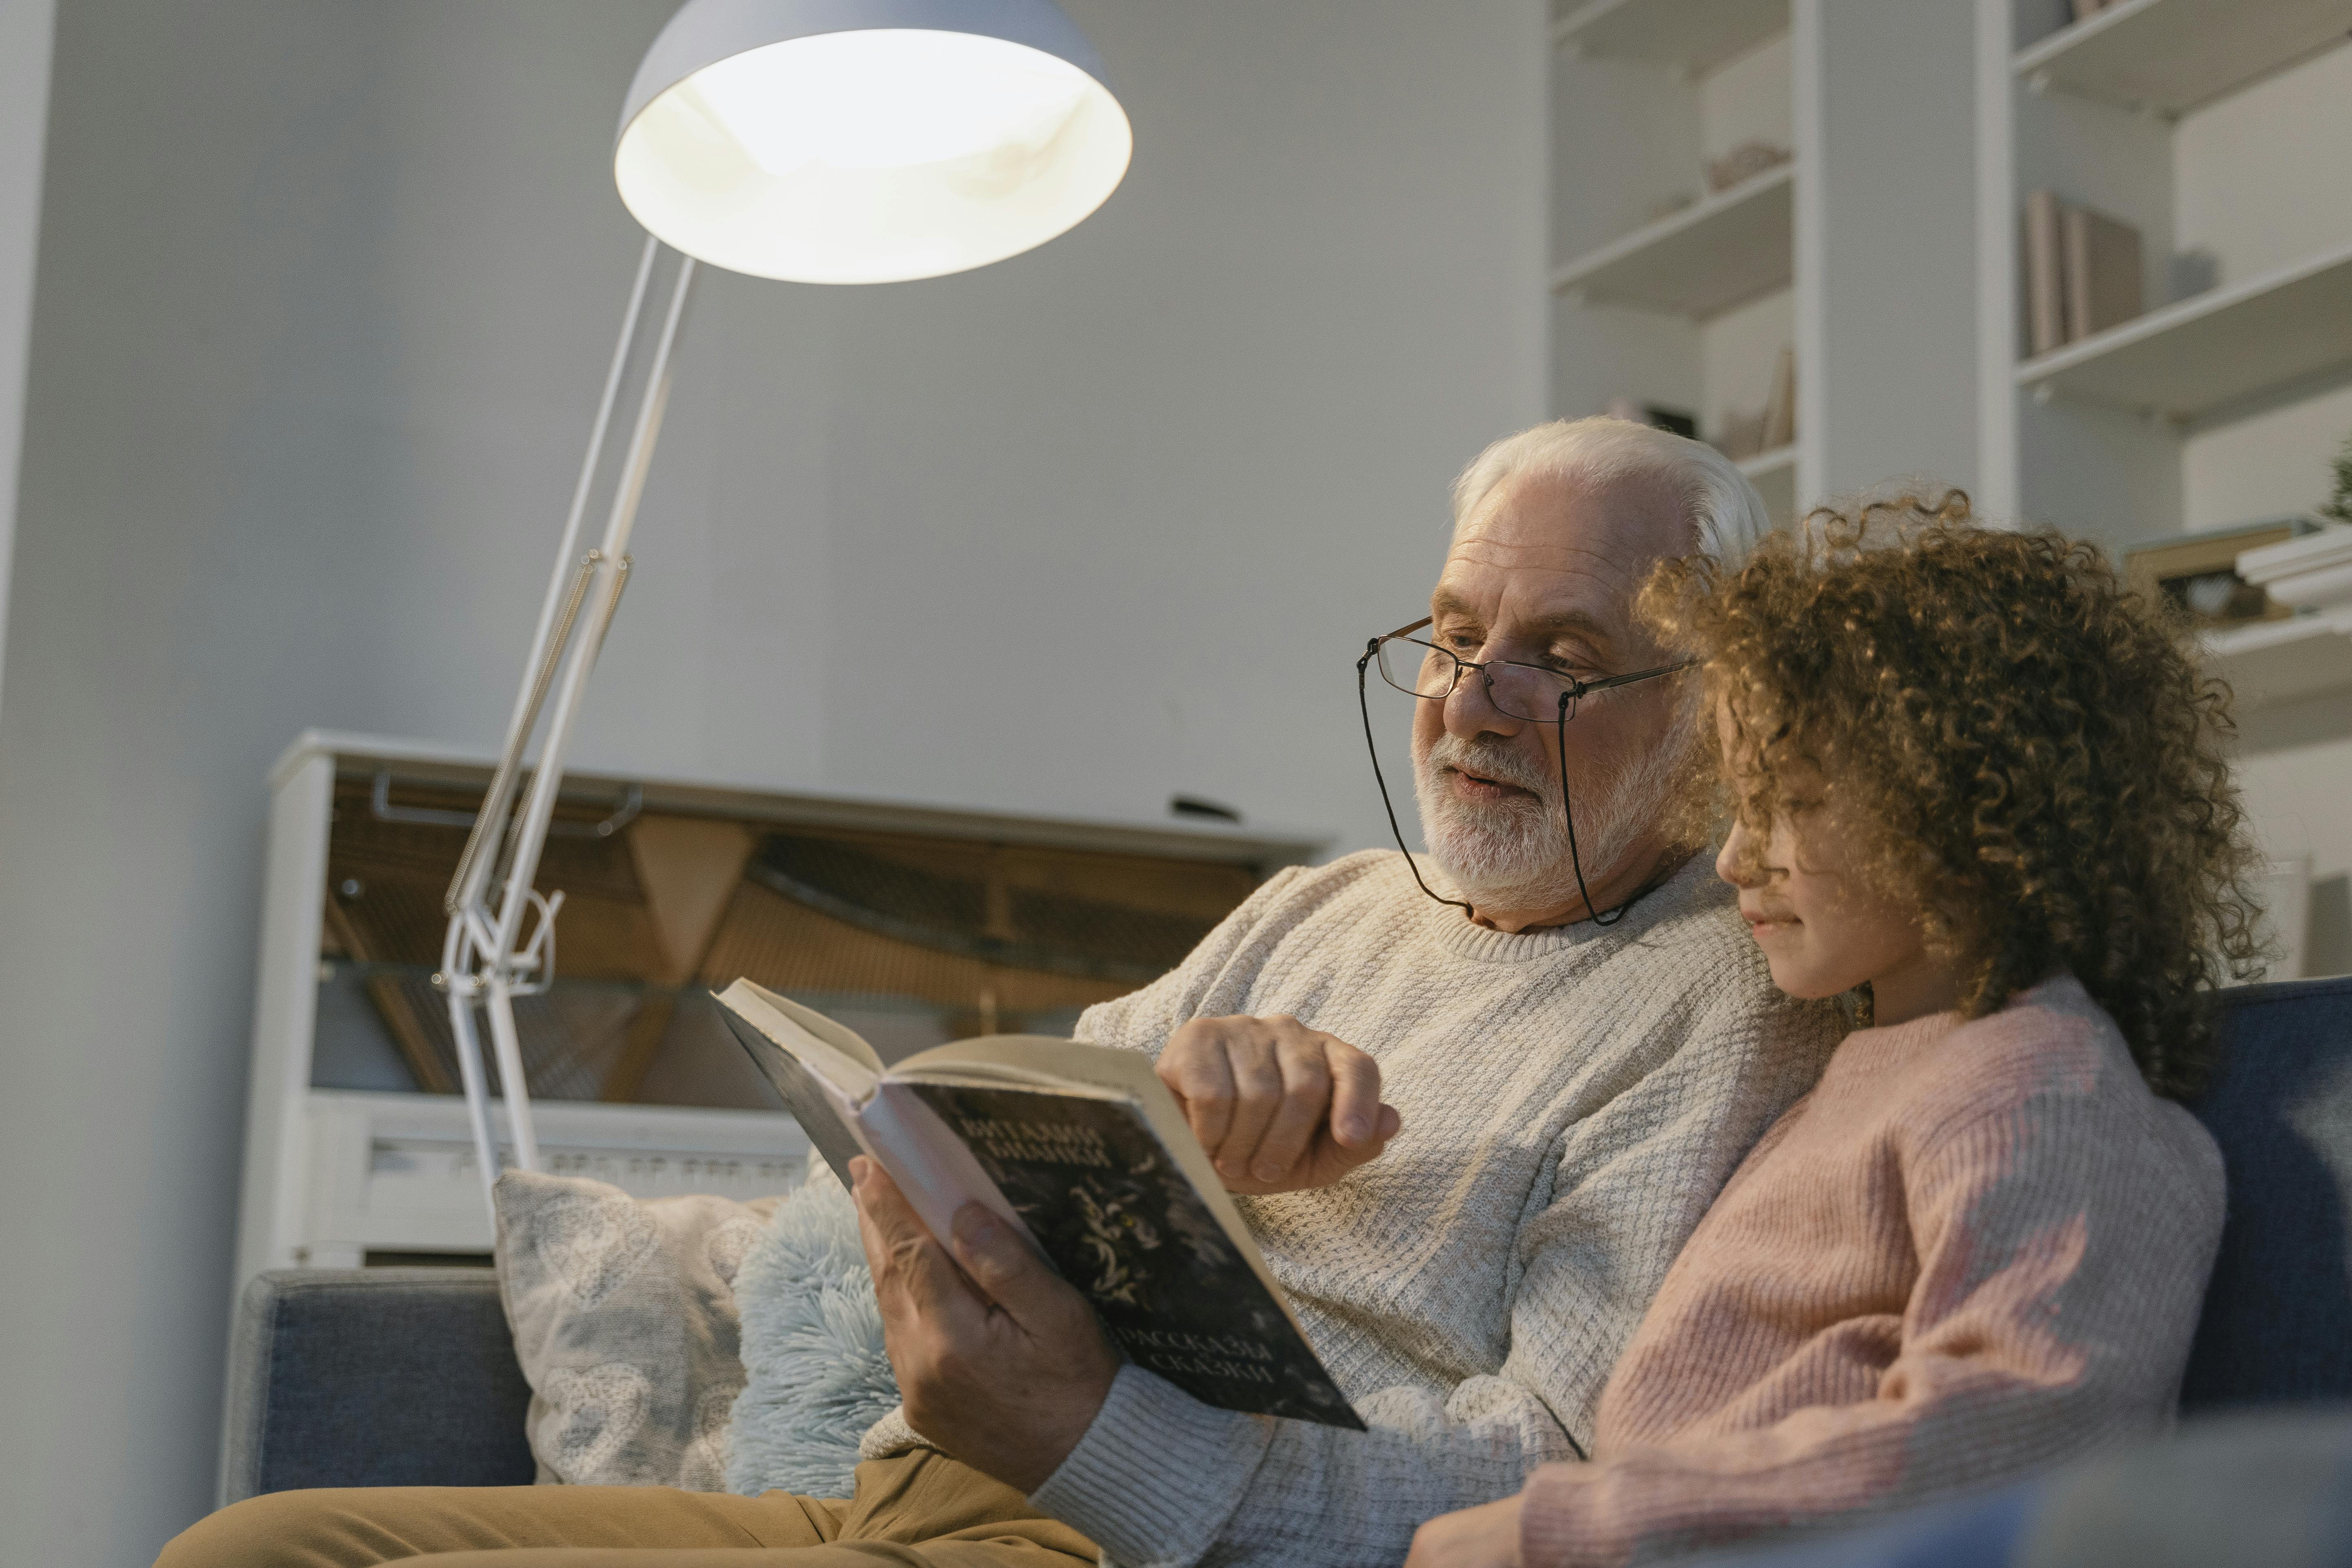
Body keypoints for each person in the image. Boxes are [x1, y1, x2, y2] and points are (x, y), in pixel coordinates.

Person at [159, 417, 1845, 1568]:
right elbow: (1016, 1098)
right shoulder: (1325, 904)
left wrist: (1096, 1431)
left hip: (1099, 1539)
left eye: (1559, 655)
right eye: (1453, 632)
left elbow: (1540, 1482)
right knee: (255, 1548)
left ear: (1715, 699)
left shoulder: (1730, 1007)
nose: (1471, 701)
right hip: (909, 1495)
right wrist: (1171, 1105)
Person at [1405, 492, 2260, 1568]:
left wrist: (1571, 1526)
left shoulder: (2039, 1079)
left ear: (1962, 819)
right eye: (1738, 803)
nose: (1733, 859)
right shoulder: (1867, 1064)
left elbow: (2022, 1429)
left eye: (1789, 805)